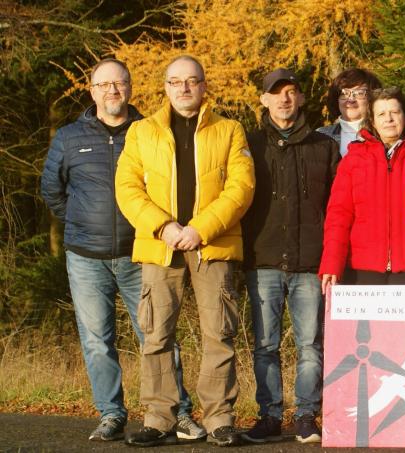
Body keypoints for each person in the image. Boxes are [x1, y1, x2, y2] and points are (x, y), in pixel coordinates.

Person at [40, 58, 204, 443]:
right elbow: (52, 191)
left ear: (130, 88)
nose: (113, 91)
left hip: (140, 253)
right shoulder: (67, 137)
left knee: (157, 335)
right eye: (104, 85)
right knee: (97, 339)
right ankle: (111, 414)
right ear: (92, 90)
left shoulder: (150, 131)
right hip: (86, 256)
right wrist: (81, 222)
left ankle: (177, 411)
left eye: (120, 84)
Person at [115, 55, 255, 447]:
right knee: (156, 334)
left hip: (213, 245)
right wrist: (165, 226)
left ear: (204, 85)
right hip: (160, 245)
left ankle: (219, 419)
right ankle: (159, 417)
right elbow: (127, 188)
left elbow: (241, 189)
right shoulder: (141, 132)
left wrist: (199, 229)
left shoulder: (230, 130)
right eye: (175, 82)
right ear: (165, 87)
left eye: (192, 81)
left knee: (219, 334)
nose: (184, 89)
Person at [239, 68, 339, 444]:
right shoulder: (248, 145)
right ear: (263, 99)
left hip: (310, 262)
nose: (284, 99)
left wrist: (332, 258)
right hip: (262, 260)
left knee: (311, 344)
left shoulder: (323, 146)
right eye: (276, 92)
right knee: (266, 345)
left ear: (300, 99)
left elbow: (337, 207)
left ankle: (306, 416)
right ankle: (269, 416)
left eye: (291, 92)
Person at [319, 87, 405, 290]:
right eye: (381, 114)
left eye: (395, 112)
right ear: (372, 121)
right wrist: (331, 263)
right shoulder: (353, 159)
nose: (389, 119)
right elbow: (338, 215)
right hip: (361, 271)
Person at [317, 68, 383, 156]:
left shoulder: (384, 134)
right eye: (344, 93)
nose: (351, 99)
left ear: (372, 98)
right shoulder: (320, 136)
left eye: (359, 93)